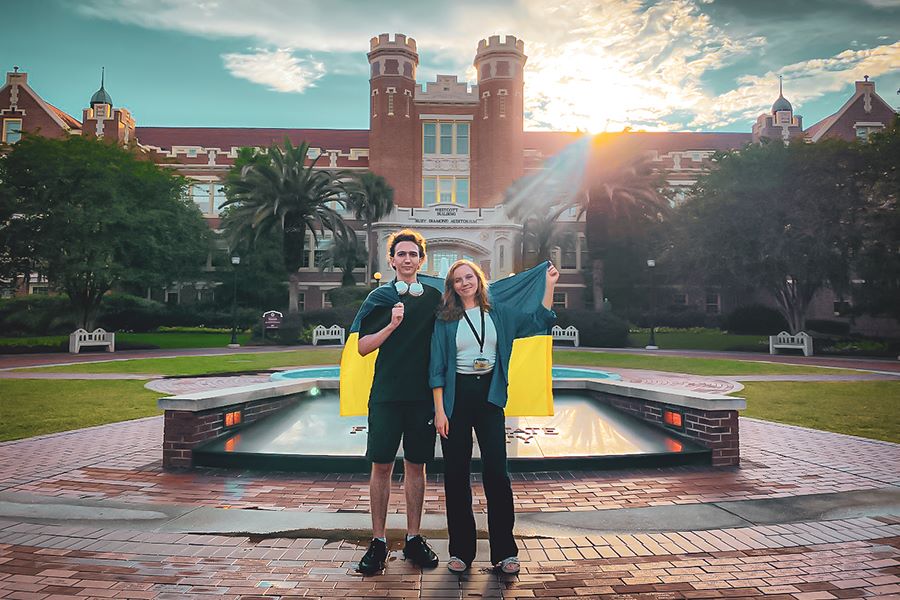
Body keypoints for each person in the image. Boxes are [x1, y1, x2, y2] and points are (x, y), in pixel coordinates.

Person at [430, 260, 559, 574]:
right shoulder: (445, 319)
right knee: (456, 477)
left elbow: (536, 321)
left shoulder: (499, 313)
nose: (464, 283)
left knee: (497, 476)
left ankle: (505, 551)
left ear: (479, 279)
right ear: (452, 287)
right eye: (458, 280)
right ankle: (461, 551)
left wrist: (550, 285)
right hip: (455, 398)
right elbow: (437, 367)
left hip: (489, 397)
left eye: (469, 277)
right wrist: (440, 411)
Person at [355, 229, 442, 575]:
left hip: (422, 398)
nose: (407, 259)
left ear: (422, 260)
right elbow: (362, 347)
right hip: (386, 396)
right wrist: (391, 326)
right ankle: (378, 542)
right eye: (401, 254)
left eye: (413, 254)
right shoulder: (379, 297)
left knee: (417, 467)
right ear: (391, 260)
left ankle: (413, 538)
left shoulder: (434, 297)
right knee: (381, 467)